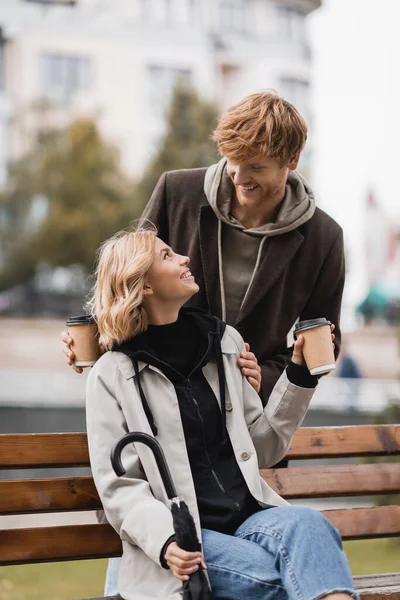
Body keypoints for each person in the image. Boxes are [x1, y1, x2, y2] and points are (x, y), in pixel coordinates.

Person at [85, 227, 356, 600]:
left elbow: (263, 448)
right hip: (186, 536)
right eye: (167, 256)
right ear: (143, 285)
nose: (184, 258)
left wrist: (299, 376)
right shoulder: (113, 374)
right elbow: (119, 485)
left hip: (251, 518)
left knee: (309, 525)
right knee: (296, 577)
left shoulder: (224, 343)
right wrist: (166, 542)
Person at [63, 90, 345, 405]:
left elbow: (323, 343)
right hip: (161, 398)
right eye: (232, 161)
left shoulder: (324, 236)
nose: (240, 176)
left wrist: (265, 376)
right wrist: (100, 338)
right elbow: (127, 281)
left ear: (292, 160)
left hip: (248, 417)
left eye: (255, 167)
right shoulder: (177, 191)